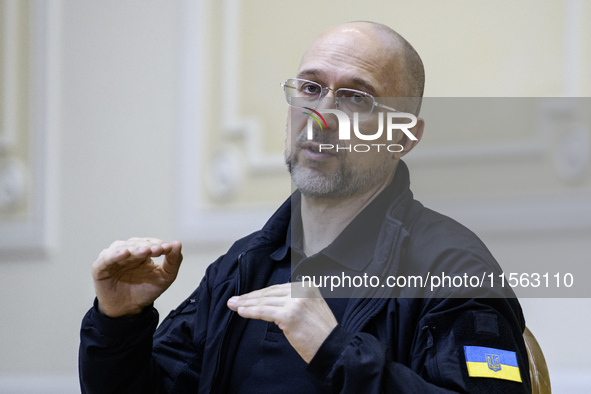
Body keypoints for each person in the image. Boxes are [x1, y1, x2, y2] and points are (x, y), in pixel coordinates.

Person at [79, 21, 531, 393]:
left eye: (356, 97)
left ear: (404, 136)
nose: (322, 115)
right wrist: (119, 324)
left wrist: (334, 350)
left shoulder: (455, 269)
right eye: (311, 88)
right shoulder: (242, 266)